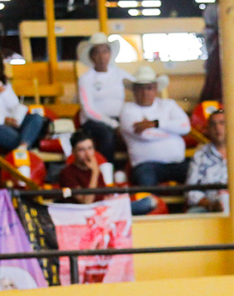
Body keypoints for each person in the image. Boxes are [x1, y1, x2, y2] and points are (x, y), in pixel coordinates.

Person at [119, 65, 191, 187]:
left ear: (156, 89)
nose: (145, 92)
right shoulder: (127, 110)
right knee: (146, 184)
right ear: (134, 90)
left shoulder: (169, 104)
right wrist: (173, 132)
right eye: (140, 88)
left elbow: (185, 127)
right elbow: (146, 135)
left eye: (149, 88)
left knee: (199, 175)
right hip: (146, 165)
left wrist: (156, 124)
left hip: (178, 163)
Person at [58, 130, 158, 214]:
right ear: (73, 152)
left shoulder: (95, 169)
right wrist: (95, 173)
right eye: (82, 150)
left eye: (90, 148)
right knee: (146, 204)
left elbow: (104, 195)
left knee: (148, 201)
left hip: (105, 209)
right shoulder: (68, 173)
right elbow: (86, 203)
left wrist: (114, 197)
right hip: (87, 214)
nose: (87, 154)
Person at [76, 32, 133, 163]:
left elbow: (136, 85)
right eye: (97, 53)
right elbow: (88, 110)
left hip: (118, 119)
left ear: (110, 53)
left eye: (105, 51)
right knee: (107, 135)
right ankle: (106, 170)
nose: (102, 56)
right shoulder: (85, 79)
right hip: (93, 122)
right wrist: (113, 124)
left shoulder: (119, 73)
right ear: (91, 56)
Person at [0, 46, 47, 152]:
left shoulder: (3, 83)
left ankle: (23, 147)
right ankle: (26, 145)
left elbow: (14, 104)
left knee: (36, 118)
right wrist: (3, 120)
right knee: (15, 136)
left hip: (12, 123)